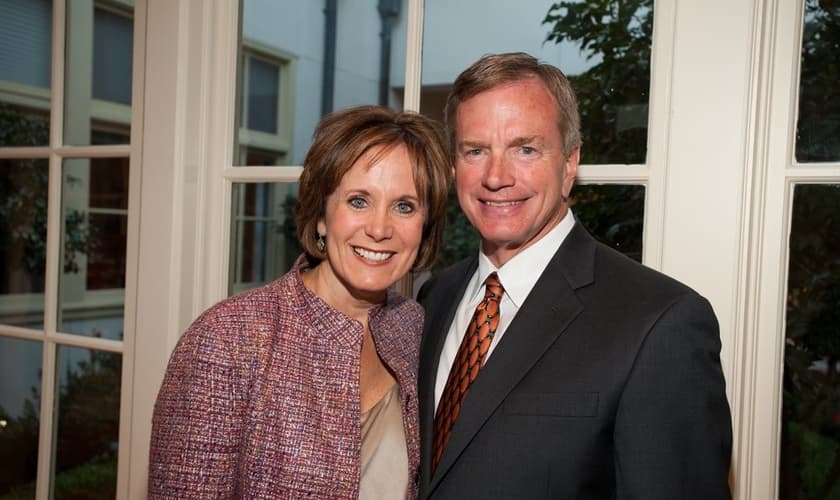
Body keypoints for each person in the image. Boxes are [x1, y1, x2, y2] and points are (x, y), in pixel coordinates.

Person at [417, 52, 732, 499]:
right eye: (476, 151)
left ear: (569, 163)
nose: (496, 176)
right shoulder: (435, 297)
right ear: (453, 166)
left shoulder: (660, 323)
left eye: (525, 149)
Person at [148, 105, 451, 499]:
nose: (379, 228)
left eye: (404, 206)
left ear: (424, 227)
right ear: (323, 215)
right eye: (359, 201)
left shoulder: (412, 326)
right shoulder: (228, 339)